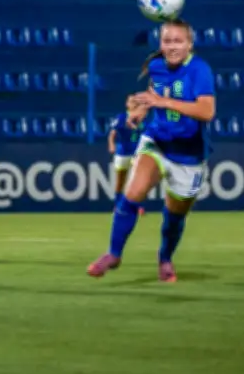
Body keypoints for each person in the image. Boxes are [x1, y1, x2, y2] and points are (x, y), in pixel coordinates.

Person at [87, 19, 215, 283]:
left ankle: (165, 258)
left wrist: (162, 101)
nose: (172, 46)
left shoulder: (200, 70)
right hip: (157, 140)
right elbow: (154, 94)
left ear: (190, 44)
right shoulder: (156, 66)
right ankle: (113, 253)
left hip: (189, 153)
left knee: (175, 215)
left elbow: (207, 111)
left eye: (178, 41)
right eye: (167, 41)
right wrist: (141, 110)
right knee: (133, 192)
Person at [108, 95, 145, 199]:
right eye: (131, 101)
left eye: (135, 101)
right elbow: (112, 133)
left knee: (137, 181)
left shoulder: (143, 118)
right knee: (121, 181)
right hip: (123, 151)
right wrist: (111, 144)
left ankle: (136, 205)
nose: (134, 103)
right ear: (127, 104)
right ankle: (118, 204)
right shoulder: (121, 117)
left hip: (137, 152)